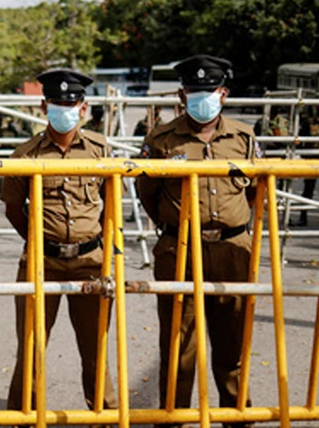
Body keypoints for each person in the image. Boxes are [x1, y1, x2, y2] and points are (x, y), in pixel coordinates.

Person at [137, 54, 259, 428]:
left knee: (232, 343)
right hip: (179, 250)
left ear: (223, 93)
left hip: (233, 249)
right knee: (178, 346)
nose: (201, 97)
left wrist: (231, 226)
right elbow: (147, 192)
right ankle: (172, 418)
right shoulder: (160, 139)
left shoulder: (243, 137)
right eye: (194, 91)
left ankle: (236, 417)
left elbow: (253, 191)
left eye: (209, 90)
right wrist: (176, 226)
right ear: (182, 94)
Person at [1, 68, 118, 412]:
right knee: (32, 346)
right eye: (57, 102)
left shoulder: (100, 150)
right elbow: (13, 208)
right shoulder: (26, 154)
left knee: (95, 346)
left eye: (71, 102)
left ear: (83, 108)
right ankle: (23, 414)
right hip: (42, 261)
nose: (64, 108)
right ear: (44, 106)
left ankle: (104, 413)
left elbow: (111, 205)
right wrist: (41, 241)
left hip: (90, 262)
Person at [0, 114, 30, 220]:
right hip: (3, 152)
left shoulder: (23, 117)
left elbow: (30, 136)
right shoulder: (2, 118)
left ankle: (25, 209)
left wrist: (18, 131)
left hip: (17, 152)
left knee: (21, 183)